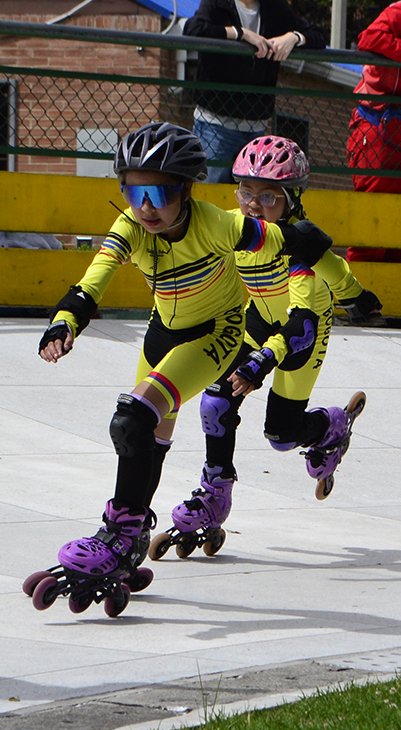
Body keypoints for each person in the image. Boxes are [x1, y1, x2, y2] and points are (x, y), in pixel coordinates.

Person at [27, 122, 333, 614]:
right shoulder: (129, 225)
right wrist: (67, 319)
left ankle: (117, 537)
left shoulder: (218, 224)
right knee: (145, 438)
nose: (146, 206)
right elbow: (95, 277)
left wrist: (307, 243)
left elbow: (282, 239)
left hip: (215, 333)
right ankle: (126, 539)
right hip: (160, 332)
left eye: (161, 192)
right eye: (134, 190)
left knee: (131, 417)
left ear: (187, 190)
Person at [151, 135, 382, 558]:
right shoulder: (236, 226)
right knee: (215, 403)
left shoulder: (302, 255)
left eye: (269, 196)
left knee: (280, 434)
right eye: (246, 192)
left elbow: (300, 328)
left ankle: (330, 428)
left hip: (302, 332)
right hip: (259, 317)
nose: (253, 205)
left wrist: (260, 364)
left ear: (292, 200)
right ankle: (214, 495)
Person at [183, 0, 326, 182]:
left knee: (252, 199)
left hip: (256, 127)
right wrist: (241, 34)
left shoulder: (274, 8)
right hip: (214, 124)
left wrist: (293, 37)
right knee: (209, 195)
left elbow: (318, 35)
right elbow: (193, 29)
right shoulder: (217, 4)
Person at [346, 1, 401, 262]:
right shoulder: (399, 10)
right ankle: (358, 298)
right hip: (378, 129)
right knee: (372, 221)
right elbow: (369, 38)